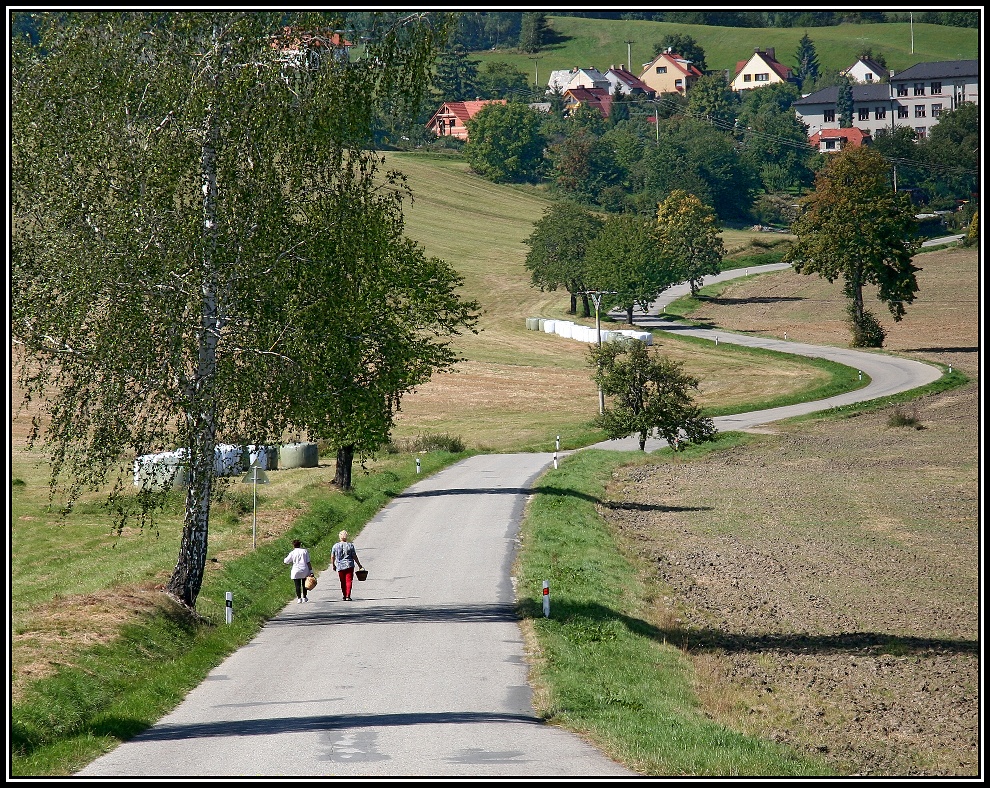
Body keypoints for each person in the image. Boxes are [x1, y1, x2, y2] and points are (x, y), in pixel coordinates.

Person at [330, 529, 363, 601]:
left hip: (340, 566)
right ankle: (348, 595)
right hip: (349, 565)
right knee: (349, 580)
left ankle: (344, 595)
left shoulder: (335, 546)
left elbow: (333, 556)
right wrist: (359, 565)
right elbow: (354, 556)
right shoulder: (350, 545)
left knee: (342, 581)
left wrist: (333, 564)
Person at [283, 539, 313, 603]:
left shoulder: (292, 553)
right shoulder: (305, 551)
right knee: (305, 584)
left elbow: (286, 561)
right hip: (305, 569)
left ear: (293, 545)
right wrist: (311, 571)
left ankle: (299, 598)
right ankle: (304, 597)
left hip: (296, 570)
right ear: (300, 544)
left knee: (297, 585)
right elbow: (308, 562)